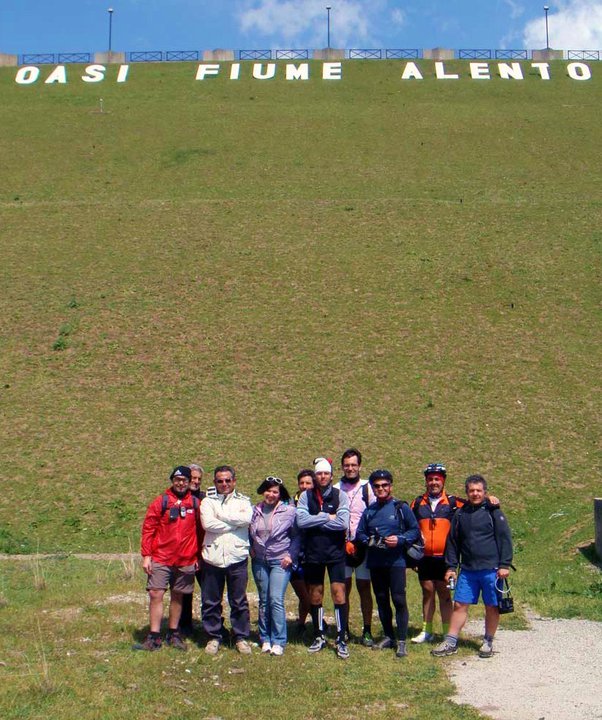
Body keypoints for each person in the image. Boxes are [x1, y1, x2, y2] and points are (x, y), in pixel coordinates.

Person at [410, 463, 500, 644]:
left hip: (445, 557)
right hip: (425, 557)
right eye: (430, 479)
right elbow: (410, 527)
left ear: (443, 481)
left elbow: (475, 503)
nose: (434, 483)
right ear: (426, 481)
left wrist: (489, 499)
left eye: (437, 479)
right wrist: (411, 557)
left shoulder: (454, 503)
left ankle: (446, 632)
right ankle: (426, 630)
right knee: (427, 592)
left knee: (445, 595)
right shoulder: (417, 503)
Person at [432, 474, 513, 659]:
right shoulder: (460, 514)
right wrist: (451, 567)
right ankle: (451, 642)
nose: (475, 494)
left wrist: (504, 564)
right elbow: (453, 542)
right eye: (471, 491)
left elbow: (505, 539)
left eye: (479, 490)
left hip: (492, 570)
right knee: (459, 604)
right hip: (468, 571)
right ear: (467, 492)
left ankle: (488, 641)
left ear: (485, 492)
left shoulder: (494, 512)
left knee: (492, 606)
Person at [136, 465, 202, 651]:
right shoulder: (161, 502)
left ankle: (174, 633)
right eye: (177, 480)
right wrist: (147, 555)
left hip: (186, 558)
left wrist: (198, 555)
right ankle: (154, 636)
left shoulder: (195, 504)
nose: (180, 483)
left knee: (178, 595)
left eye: (184, 480)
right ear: (172, 481)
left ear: (189, 482)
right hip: (161, 557)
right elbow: (149, 528)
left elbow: (201, 531)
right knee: (155, 593)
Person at [356, 469, 420, 658]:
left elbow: (414, 530)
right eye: (377, 486)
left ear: (390, 486)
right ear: (373, 488)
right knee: (381, 599)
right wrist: (370, 541)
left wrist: (400, 539)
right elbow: (360, 533)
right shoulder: (369, 511)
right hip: (376, 562)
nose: (381, 489)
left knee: (399, 599)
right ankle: (388, 636)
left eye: (384, 485)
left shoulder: (401, 507)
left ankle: (401, 640)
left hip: (396, 562)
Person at [296, 457, 351, 659]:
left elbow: (342, 523)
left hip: (335, 553)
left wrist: (315, 520)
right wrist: (326, 517)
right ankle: (318, 634)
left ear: (331, 475)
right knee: (315, 595)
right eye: (319, 473)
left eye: (326, 473)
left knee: (339, 594)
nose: (322, 476)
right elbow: (301, 522)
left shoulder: (340, 495)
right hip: (313, 553)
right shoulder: (306, 496)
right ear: (315, 476)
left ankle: (341, 637)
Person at [200, 465, 253, 655]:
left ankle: (240, 637)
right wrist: (233, 524)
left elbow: (246, 519)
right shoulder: (207, 502)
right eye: (220, 481)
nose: (224, 484)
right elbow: (208, 524)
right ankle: (213, 636)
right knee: (211, 601)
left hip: (237, 557)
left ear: (234, 481)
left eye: (227, 480)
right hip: (212, 558)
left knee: (238, 601)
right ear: (214, 482)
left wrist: (221, 516)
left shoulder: (244, 501)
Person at [249, 476, 300, 656]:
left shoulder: (289, 511)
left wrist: (290, 555)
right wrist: (250, 547)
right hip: (259, 560)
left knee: (275, 599)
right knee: (264, 600)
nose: (270, 494)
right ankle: (265, 638)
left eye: (274, 492)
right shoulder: (254, 510)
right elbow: (249, 531)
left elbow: (297, 536)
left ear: (280, 494)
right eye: (268, 491)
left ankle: (278, 640)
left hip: (280, 560)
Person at [334, 448, 375, 646]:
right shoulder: (335, 488)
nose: (350, 468)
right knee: (343, 588)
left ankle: (367, 630)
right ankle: (344, 629)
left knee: (364, 588)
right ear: (342, 467)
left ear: (359, 466)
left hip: (363, 546)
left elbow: (375, 513)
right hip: (341, 546)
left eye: (353, 465)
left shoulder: (369, 487)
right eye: (347, 465)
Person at [179, 463, 205, 635]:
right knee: (183, 591)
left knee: (209, 590)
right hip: (184, 552)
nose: (196, 481)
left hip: (203, 552)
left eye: (199, 479)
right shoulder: (177, 498)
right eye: (193, 478)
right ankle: (184, 626)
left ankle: (212, 625)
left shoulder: (205, 498)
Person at [289, 469, 314, 634]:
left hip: (313, 553)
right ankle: (320, 621)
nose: (304, 486)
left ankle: (301, 623)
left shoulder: (318, 502)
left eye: (308, 483)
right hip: (294, 555)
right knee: (303, 594)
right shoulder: (290, 503)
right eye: (302, 483)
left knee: (309, 590)